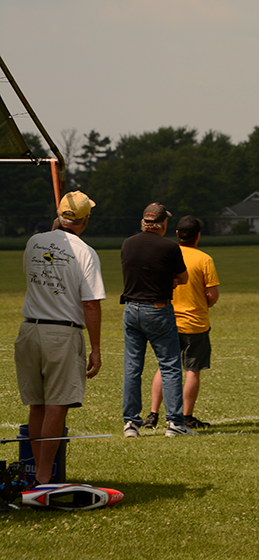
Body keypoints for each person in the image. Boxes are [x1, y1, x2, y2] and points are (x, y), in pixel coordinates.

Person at [14, 190, 104, 484]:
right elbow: (90, 303)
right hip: (62, 334)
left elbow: (34, 270)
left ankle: (36, 476)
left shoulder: (33, 242)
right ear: (85, 220)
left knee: (37, 406)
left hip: (29, 330)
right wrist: (96, 348)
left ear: (60, 214)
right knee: (56, 406)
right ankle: (43, 478)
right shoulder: (86, 252)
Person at [120, 202, 198, 437]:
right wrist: (168, 280)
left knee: (133, 368)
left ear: (144, 222)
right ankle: (175, 424)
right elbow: (183, 278)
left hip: (131, 309)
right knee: (170, 367)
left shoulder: (127, 244)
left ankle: (130, 424)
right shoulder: (169, 248)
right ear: (163, 224)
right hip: (158, 310)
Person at [142, 215, 220, 430]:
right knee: (192, 370)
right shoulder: (204, 259)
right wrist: (205, 303)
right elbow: (212, 295)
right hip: (195, 323)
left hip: (167, 319)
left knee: (164, 367)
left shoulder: (167, 254)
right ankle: (186, 416)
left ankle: (153, 413)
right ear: (198, 236)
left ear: (177, 234)